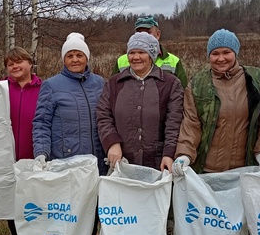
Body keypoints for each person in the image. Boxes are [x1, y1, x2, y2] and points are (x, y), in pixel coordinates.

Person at [173, 28, 260, 175]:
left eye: (226, 52)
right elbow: (191, 123)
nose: (221, 58)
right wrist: (185, 154)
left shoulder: (255, 80)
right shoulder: (198, 84)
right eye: (215, 53)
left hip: (245, 169)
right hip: (206, 170)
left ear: (235, 52)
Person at [97, 32, 184, 171]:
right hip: (122, 163)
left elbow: (174, 123)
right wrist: (112, 143)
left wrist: (169, 153)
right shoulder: (113, 83)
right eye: (132, 52)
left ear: (151, 55)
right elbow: (103, 116)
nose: (136, 57)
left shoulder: (170, 84)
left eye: (141, 52)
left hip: (157, 164)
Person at [32, 32, 106, 175]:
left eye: (79, 55)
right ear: (64, 59)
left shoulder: (100, 83)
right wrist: (41, 152)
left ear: (87, 57)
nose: (75, 60)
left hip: (98, 161)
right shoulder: (51, 85)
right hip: (66, 162)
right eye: (69, 56)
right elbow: (41, 123)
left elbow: (108, 119)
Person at [4, 46, 42, 235]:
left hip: (34, 152)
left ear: (29, 63)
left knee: (34, 197)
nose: (15, 66)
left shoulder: (44, 88)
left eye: (19, 62)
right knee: (12, 197)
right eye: (10, 64)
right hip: (7, 154)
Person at [112, 16, 188, 88]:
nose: (144, 36)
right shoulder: (121, 61)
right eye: (139, 32)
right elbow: (114, 90)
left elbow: (182, 92)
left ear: (158, 34)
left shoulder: (174, 61)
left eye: (148, 32)